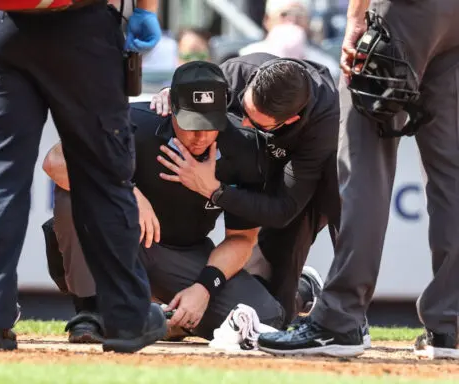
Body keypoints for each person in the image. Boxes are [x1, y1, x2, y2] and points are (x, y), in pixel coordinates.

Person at [41, 61, 323, 343]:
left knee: (263, 317)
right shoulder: (135, 122)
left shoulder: (247, 149)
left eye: (210, 124)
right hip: (119, 241)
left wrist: (203, 288)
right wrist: (125, 192)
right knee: (75, 187)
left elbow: (241, 239)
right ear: (170, 107)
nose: (200, 136)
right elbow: (56, 161)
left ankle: (167, 319)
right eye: (190, 124)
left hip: (182, 254)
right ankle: (90, 312)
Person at [257, 0, 459, 359]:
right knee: (452, 172)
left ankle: (339, 319)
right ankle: (450, 324)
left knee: (365, 162)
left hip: (403, 11)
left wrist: (356, 15)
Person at [0, 0, 165, 353]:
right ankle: (127, 319)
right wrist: (146, 10)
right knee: (102, 175)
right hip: (80, 25)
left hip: (0, 24)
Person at [147, 53, 364, 339]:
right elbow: (193, 91)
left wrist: (215, 190)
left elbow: (283, 209)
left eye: (258, 124)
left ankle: (313, 295)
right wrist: (171, 97)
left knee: (270, 317)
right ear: (248, 85)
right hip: (243, 170)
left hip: (293, 190)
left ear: (292, 119)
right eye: (242, 112)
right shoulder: (235, 73)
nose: (245, 126)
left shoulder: (322, 123)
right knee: (246, 292)